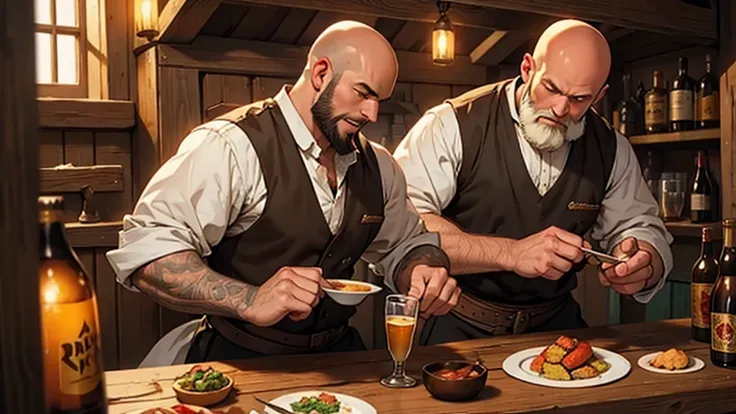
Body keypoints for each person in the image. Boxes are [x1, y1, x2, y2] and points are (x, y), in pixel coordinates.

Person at [106, 21, 461, 363]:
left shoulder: (379, 165)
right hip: (240, 359)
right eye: (363, 93)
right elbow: (149, 254)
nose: (371, 112)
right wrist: (250, 300)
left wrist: (422, 269)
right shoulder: (230, 146)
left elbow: (407, 244)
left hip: (344, 359)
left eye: (379, 99)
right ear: (321, 73)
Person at [392, 19, 673, 345]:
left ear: (600, 95)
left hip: (558, 327)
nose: (560, 109)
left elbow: (640, 226)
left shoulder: (611, 147)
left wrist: (644, 261)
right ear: (528, 68)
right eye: (551, 88)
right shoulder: (451, 123)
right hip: (456, 326)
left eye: (579, 99)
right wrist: (511, 253)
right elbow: (404, 225)